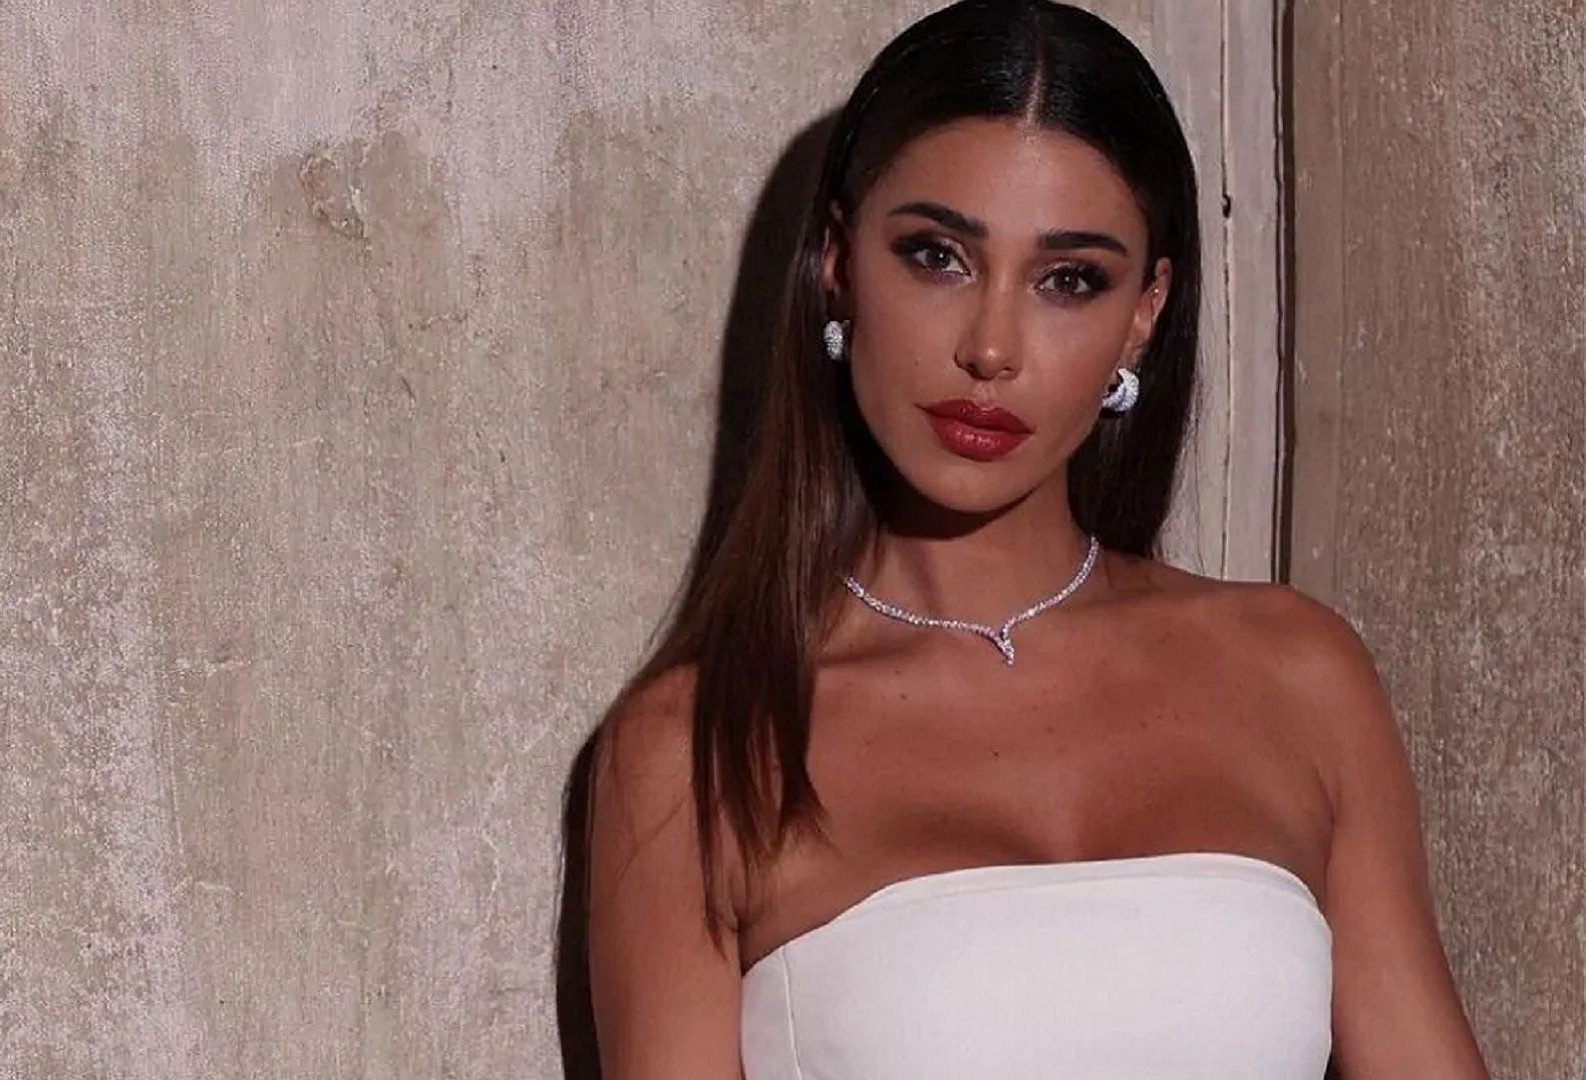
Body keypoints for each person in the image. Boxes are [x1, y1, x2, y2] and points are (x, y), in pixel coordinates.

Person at [580, 1, 1493, 1078]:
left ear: (1145, 311)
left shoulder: (1300, 675)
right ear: (837, 262)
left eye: (1069, 280)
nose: (992, 348)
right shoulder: (700, 748)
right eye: (937, 256)